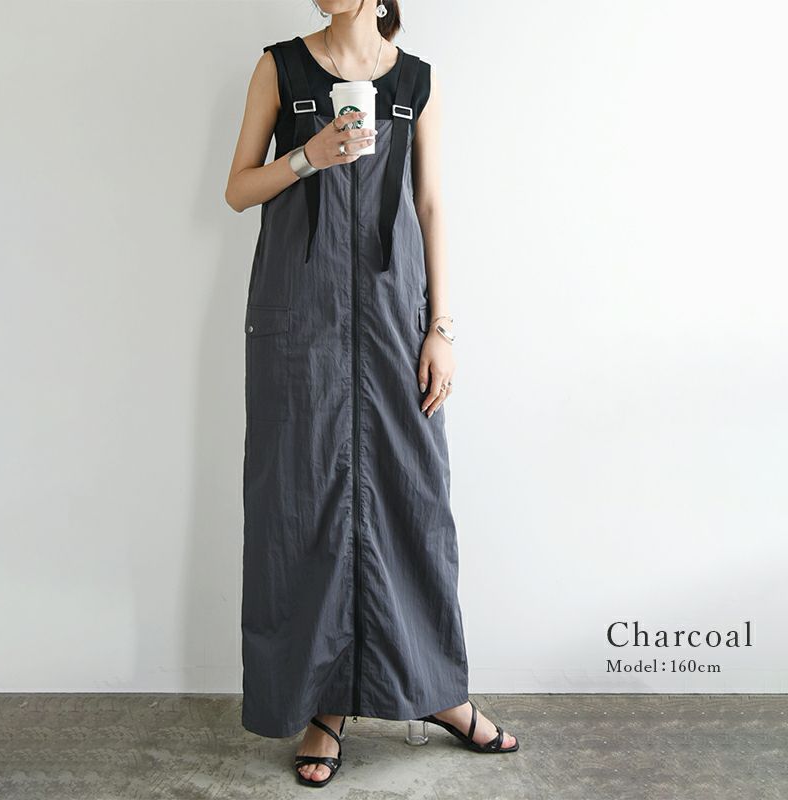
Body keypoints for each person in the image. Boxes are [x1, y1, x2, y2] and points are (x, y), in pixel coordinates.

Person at [225, 0, 518, 787]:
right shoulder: (280, 68)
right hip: (300, 316)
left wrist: (441, 327)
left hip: (395, 318)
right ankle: (322, 704)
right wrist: (308, 156)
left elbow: (430, 203)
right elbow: (238, 189)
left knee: (413, 497)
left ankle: (438, 690)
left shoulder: (416, 81)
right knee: (300, 503)